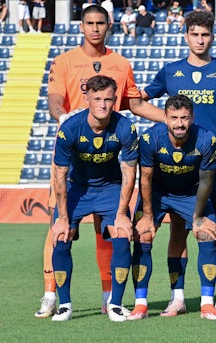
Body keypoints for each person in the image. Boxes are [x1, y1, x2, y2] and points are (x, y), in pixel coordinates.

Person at [35, 4, 164, 320]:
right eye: (89, 23)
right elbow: (54, 99)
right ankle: (51, 294)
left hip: (108, 163)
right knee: (59, 229)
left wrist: (172, 120)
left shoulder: (120, 63)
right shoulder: (64, 61)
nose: (95, 28)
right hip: (73, 158)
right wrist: (62, 115)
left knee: (108, 233)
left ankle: (110, 296)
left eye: (100, 23)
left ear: (110, 26)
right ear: (81, 26)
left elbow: (133, 103)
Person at [142, 10, 216, 318]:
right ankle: (177, 297)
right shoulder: (170, 71)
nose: (200, 40)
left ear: (212, 37)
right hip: (179, 166)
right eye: (195, 34)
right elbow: (139, 101)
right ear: (186, 36)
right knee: (178, 229)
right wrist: (166, 121)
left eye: (205, 35)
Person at [50, 75, 139, 322]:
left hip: (110, 189)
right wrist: (63, 218)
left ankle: (116, 304)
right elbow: (60, 175)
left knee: (122, 235)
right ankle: (64, 304)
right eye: (97, 98)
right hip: (77, 189)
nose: (103, 104)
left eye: (108, 99)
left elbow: (129, 172)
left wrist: (121, 214)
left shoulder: (125, 128)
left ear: (115, 100)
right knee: (61, 236)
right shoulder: (70, 128)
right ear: (87, 97)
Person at [129, 95, 216, 321]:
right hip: (158, 192)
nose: (179, 123)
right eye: (174, 118)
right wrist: (148, 215)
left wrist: (198, 216)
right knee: (144, 235)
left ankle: (207, 303)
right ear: (165, 118)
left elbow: (207, 181)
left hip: (191, 193)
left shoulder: (206, 139)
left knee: (206, 234)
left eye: (184, 118)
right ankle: (141, 304)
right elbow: (146, 179)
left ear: (192, 118)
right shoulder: (150, 138)